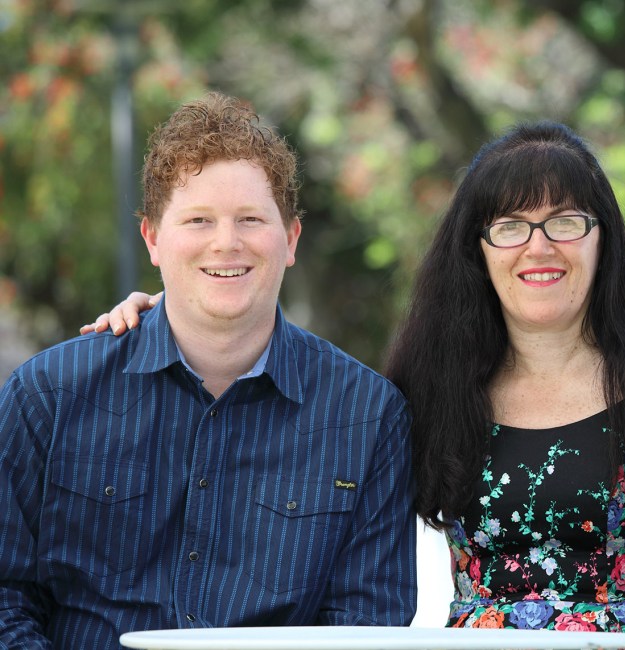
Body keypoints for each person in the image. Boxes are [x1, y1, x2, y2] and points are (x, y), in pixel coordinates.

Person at [82, 122, 625, 633]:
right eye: (509, 226)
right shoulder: (423, 390)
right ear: (477, 249)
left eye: (565, 221)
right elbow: (280, 426)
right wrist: (162, 315)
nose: (538, 246)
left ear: (602, 238)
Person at [0, 92, 416, 649]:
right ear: (152, 238)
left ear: (290, 239)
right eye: (198, 220)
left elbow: (368, 627)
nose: (227, 242)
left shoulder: (367, 416)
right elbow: (6, 596)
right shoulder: (50, 394)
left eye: (250, 219)